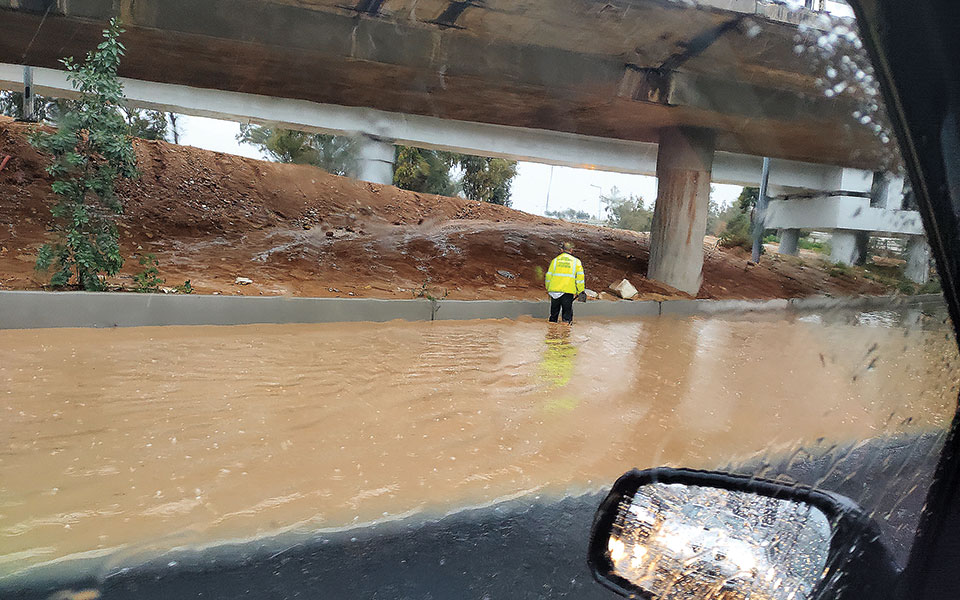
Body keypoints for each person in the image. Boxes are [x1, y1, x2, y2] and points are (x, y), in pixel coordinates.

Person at [544, 242, 586, 323]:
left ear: (561, 250)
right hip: (567, 291)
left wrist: (548, 289)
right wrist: (580, 291)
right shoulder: (576, 262)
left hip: (554, 291)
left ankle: (552, 334)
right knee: (567, 317)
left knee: (553, 315)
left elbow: (548, 277)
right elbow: (580, 279)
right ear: (571, 250)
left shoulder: (555, 261)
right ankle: (565, 334)